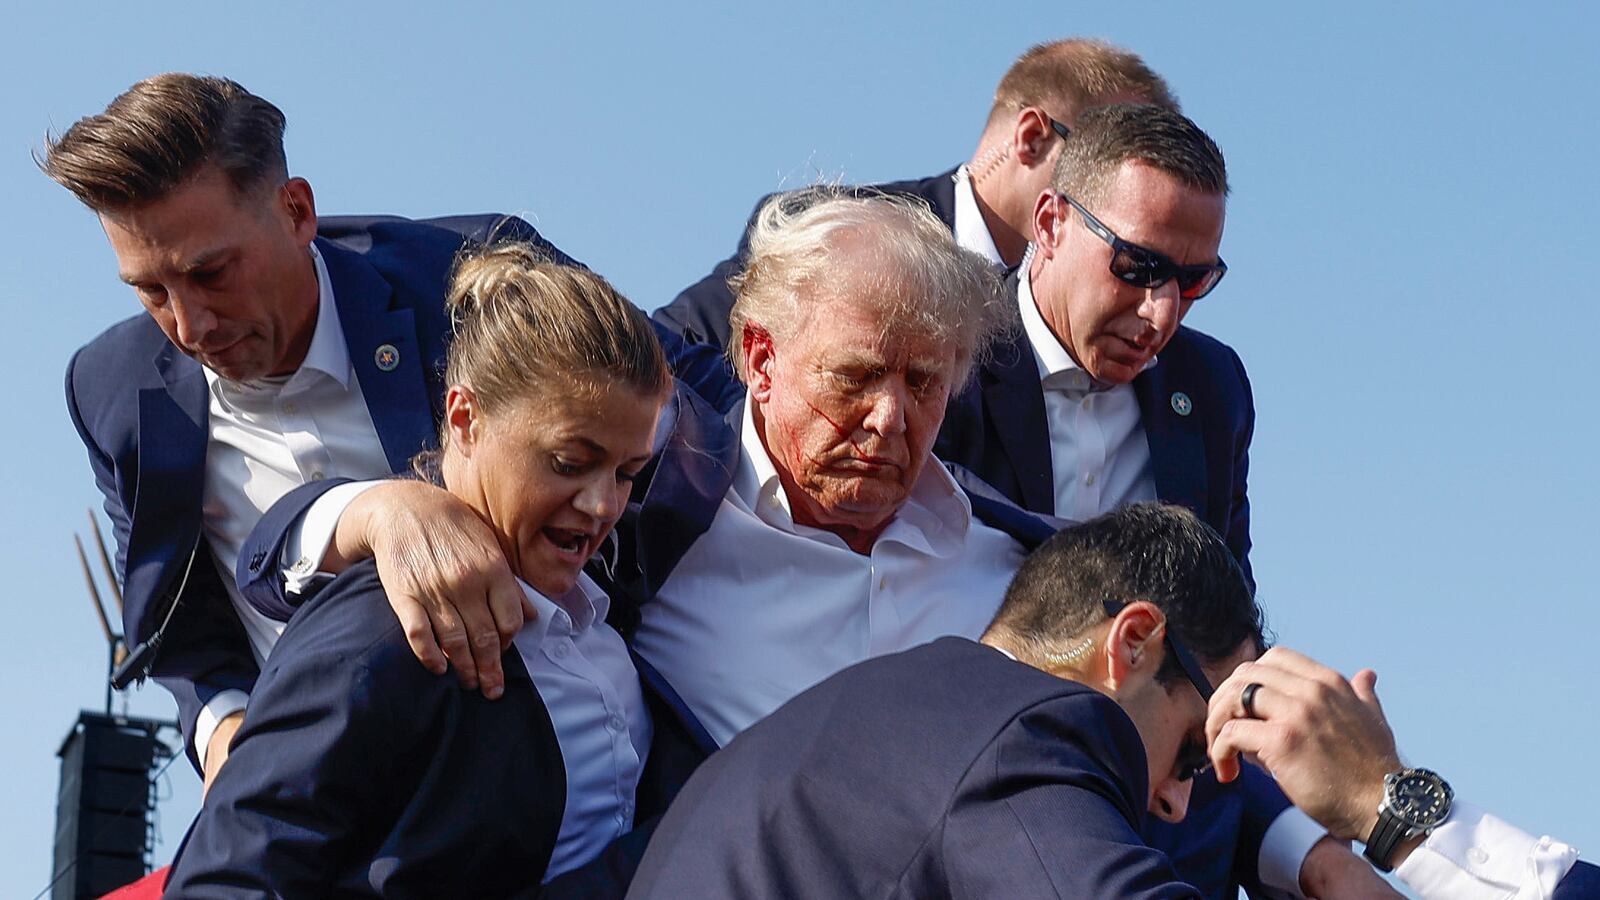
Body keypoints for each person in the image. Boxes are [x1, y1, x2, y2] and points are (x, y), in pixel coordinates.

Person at [246, 192, 1381, 898]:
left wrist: (1334, 851)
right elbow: (294, 588)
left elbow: (1188, 714)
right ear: (758, 355)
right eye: (854, 378)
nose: (890, 420)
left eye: (924, 383)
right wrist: (372, 509)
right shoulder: (635, 514)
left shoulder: (1031, 568)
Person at [46, 73, 734, 788]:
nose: (189, 326)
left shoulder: (469, 273)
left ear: (297, 210)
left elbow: (678, 382)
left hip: (572, 760)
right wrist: (223, 725)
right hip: (333, 810)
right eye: (150, 291)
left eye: (212, 274)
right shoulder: (110, 390)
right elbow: (175, 625)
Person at [628, 503, 1593, 900]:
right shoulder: (1024, 735)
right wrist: (1392, 811)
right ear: (1131, 645)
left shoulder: (888, 712)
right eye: (1192, 749)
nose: (1176, 803)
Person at [165, 246, 702, 897]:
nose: (602, 506)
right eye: (569, 461)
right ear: (465, 419)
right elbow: (226, 879)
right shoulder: (381, 635)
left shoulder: (599, 603)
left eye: (625, 474)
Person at [653, 37, 1175, 349]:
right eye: (1104, 160)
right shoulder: (835, 230)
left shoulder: (1100, 332)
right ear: (1032, 138)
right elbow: (672, 354)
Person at [935, 103, 1255, 585]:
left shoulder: (1213, 386)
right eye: (1138, 266)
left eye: (1193, 282)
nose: (1162, 313)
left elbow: (1225, 608)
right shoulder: (944, 347)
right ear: (1050, 224)